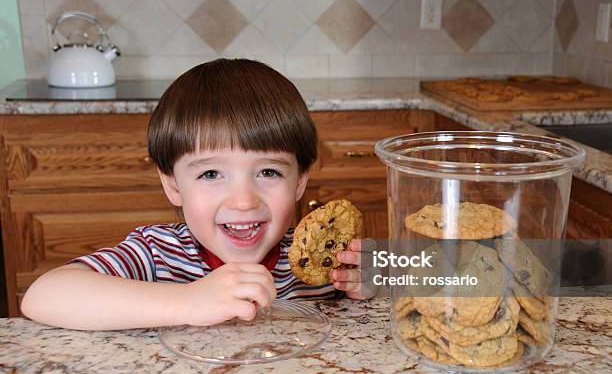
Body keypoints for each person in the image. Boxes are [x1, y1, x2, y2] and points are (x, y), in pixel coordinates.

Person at [21, 58, 369, 331]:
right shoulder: (157, 254)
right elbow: (43, 296)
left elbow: (423, 276)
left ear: (299, 181)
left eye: (268, 172)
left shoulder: (326, 260)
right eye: (211, 173)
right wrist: (188, 300)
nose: (243, 200)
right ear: (173, 185)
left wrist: (375, 281)